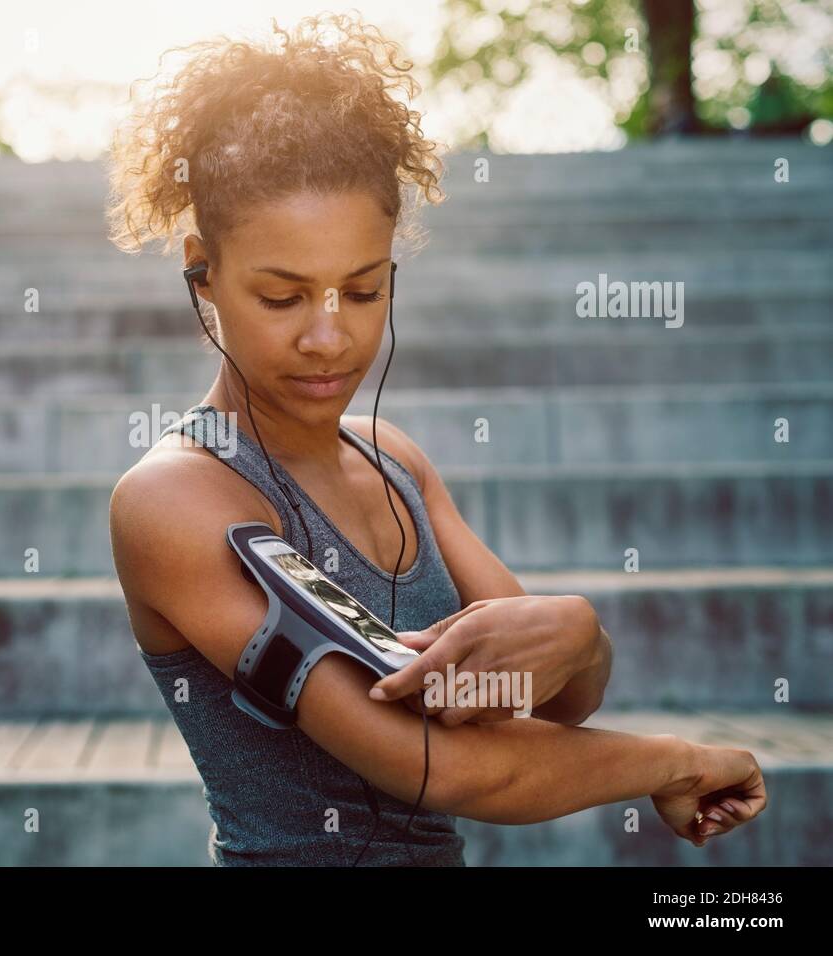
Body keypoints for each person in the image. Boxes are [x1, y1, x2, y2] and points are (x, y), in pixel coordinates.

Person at [104, 11, 765, 866]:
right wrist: (679, 762)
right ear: (204, 270)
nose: (329, 337)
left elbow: (557, 700)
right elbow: (441, 767)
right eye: (282, 297)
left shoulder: (394, 459)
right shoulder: (173, 500)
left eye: (364, 289)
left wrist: (579, 635)